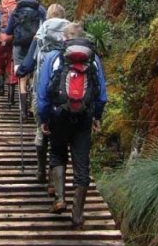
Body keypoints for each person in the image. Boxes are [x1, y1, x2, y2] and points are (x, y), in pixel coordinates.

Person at [36, 23, 107, 227]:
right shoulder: (93, 60)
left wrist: (44, 118)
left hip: (59, 114)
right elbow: (101, 93)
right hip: (84, 116)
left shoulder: (53, 58)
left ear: (64, 39)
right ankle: (77, 215)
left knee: (57, 153)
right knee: (82, 162)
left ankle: (60, 198)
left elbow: (43, 93)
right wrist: (97, 116)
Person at [15, 3, 69, 185]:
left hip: (42, 91)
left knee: (41, 130)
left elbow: (29, 63)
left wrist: (20, 71)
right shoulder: (72, 33)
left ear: (48, 17)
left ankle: (40, 171)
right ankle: (55, 180)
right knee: (60, 135)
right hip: (66, 94)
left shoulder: (41, 34)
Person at [5, 0, 45, 112]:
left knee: (21, 75)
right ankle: (33, 100)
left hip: (19, 46)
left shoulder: (15, 10)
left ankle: (23, 110)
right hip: (35, 45)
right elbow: (45, 27)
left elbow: (8, 31)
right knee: (35, 71)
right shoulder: (41, 9)